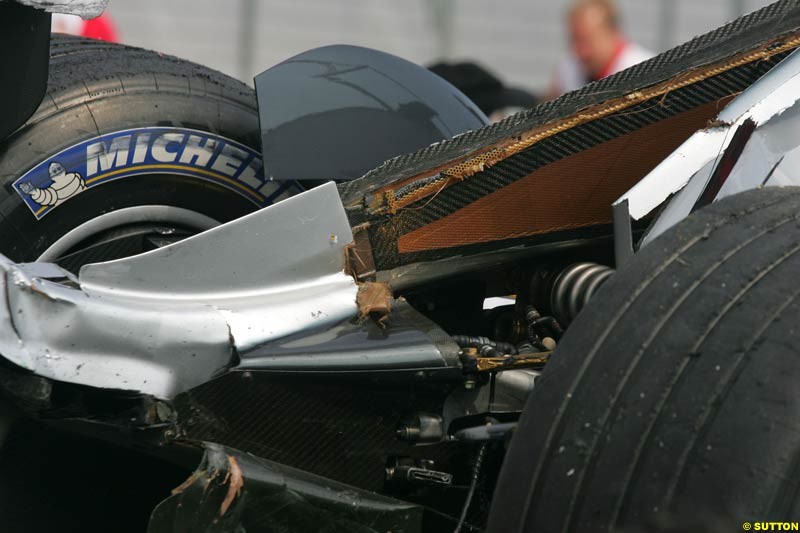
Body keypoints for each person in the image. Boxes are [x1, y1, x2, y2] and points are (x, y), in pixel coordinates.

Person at [550, 0, 653, 97]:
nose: (581, 52)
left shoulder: (646, 71)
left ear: (613, 33)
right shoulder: (569, 67)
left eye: (588, 41)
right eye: (575, 40)